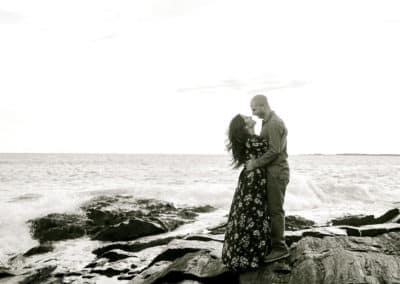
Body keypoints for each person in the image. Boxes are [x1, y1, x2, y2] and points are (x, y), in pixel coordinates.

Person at [221, 114, 272, 272]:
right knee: (252, 215)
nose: (250, 116)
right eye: (246, 117)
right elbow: (273, 150)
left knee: (246, 214)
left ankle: (240, 253)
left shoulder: (249, 139)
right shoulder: (252, 140)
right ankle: (250, 256)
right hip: (253, 180)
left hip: (250, 179)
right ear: (245, 126)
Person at [246, 94, 290, 263]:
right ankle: (273, 245)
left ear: (263, 105)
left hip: (277, 173)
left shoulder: (274, 123)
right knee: (271, 210)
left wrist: (255, 164)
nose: (253, 112)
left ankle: (280, 248)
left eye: (254, 109)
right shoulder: (267, 122)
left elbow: (275, 151)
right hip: (272, 172)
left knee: (275, 211)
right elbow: (264, 146)